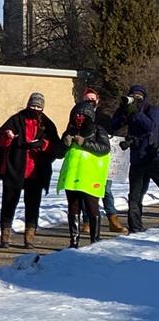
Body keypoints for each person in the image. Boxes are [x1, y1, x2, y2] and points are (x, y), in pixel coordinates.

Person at [0, 92, 63, 249]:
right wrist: (7, 137)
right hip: (15, 168)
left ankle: (29, 237)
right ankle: (5, 236)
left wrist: (43, 145)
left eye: (38, 106)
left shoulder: (47, 124)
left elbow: (58, 149)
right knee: (9, 202)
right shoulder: (15, 120)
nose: (35, 108)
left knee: (33, 205)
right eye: (32, 105)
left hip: (37, 171)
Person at [59, 99, 111, 248]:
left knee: (91, 206)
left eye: (82, 115)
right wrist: (64, 144)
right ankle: (74, 240)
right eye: (76, 115)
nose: (79, 118)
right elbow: (59, 152)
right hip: (72, 175)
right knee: (73, 207)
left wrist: (85, 143)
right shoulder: (70, 130)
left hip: (90, 175)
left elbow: (104, 148)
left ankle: (95, 239)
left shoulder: (98, 130)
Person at [111, 84, 159, 234]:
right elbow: (114, 126)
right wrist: (122, 111)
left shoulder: (152, 110)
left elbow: (152, 127)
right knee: (135, 196)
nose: (136, 99)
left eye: (139, 96)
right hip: (137, 159)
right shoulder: (129, 110)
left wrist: (137, 112)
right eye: (133, 96)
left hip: (153, 157)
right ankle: (135, 228)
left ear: (144, 97)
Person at [83, 88, 128, 234]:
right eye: (87, 99)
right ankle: (87, 221)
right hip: (86, 159)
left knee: (106, 190)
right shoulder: (79, 117)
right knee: (86, 191)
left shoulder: (104, 117)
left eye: (92, 99)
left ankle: (112, 220)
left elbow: (112, 136)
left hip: (103, 159)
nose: (90, 102)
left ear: (98, 100)